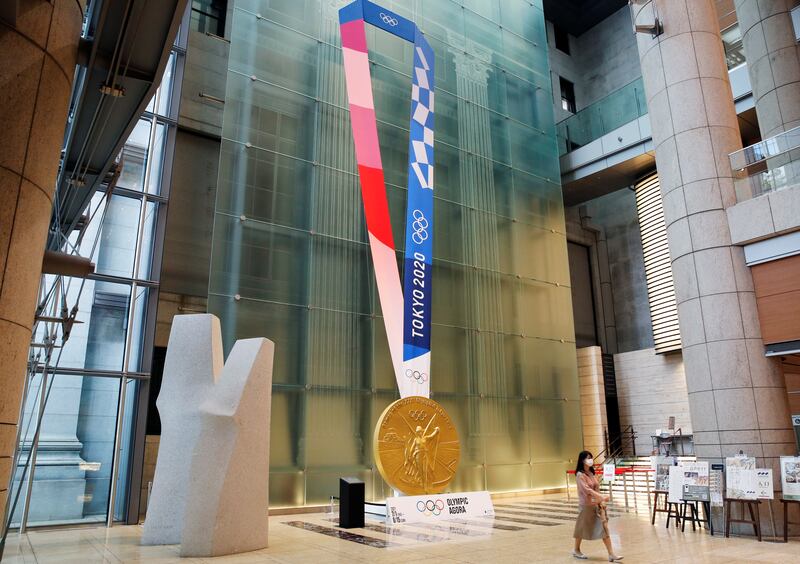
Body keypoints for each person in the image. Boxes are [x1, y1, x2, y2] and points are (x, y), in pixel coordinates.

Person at [572, 451, 623, 561]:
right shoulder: (580, 475)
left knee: (604, 528)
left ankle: (611, 554)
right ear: (582, 460)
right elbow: (587, 490)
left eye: (591, 457)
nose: (590, 460)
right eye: (588, 458)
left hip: (596, 506)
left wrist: (601, 501)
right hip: (586, 506)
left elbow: (596, 488)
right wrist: (601, 496)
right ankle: (576, 550)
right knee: (581, 529)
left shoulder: (591, 473)